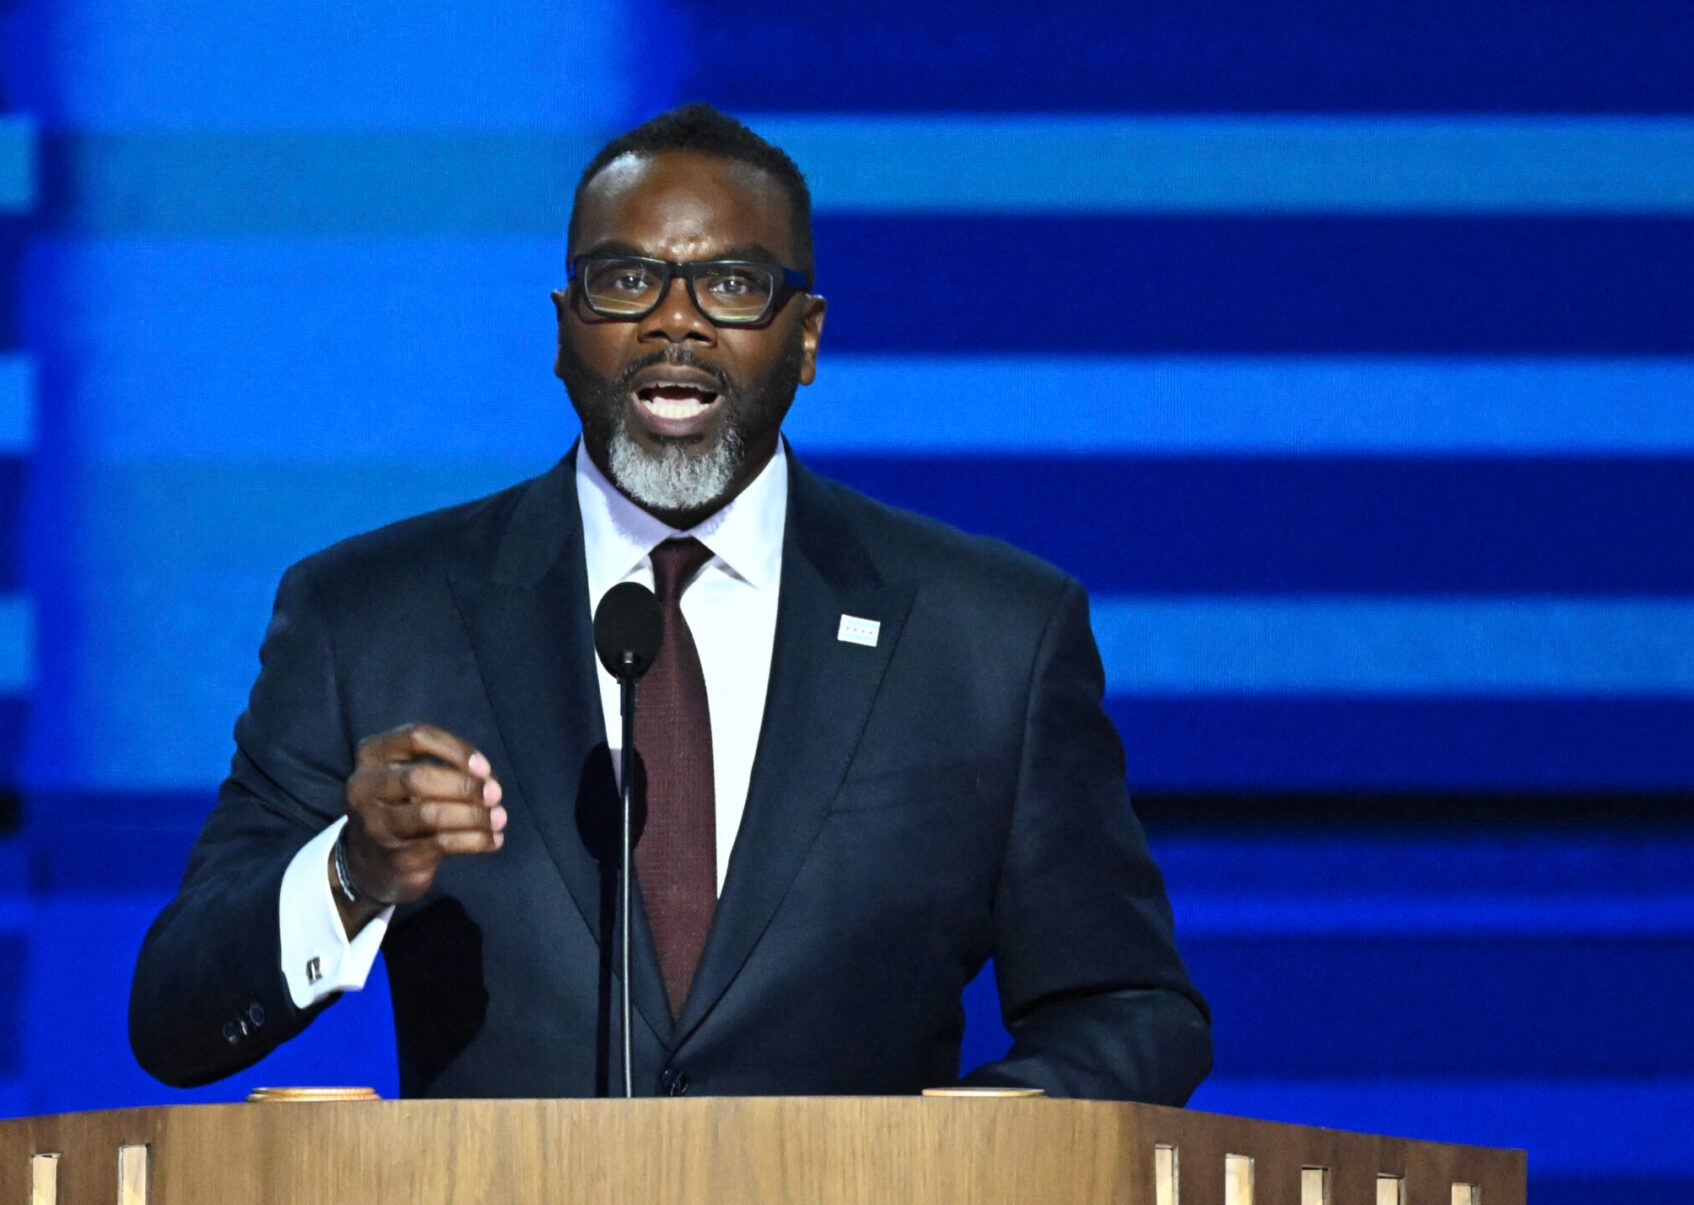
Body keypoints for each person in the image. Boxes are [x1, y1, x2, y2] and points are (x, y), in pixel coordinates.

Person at [129, 103, 1211, 1101]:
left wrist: (951, 1149)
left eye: (733, 284)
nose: (675, 324)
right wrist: (352, 874)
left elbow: (1129, 1007)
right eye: (625, 281)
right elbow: (175, 1017)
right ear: (563, 329)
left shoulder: (991, 639)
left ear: (809, 336)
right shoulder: (369, 615)